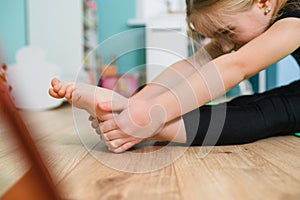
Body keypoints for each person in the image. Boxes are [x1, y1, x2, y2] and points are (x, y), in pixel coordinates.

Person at [50, 0, 300, 153]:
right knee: (240, 106)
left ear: (263, 1)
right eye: (216, 36)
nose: (223, 46)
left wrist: (151, 114)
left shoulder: (294, 23)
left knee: (270, 111)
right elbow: (193, 66)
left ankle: (155, 129)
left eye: (227, 31)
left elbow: (235, 67)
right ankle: (138, 120)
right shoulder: (245, 24)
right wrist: (139, 104)